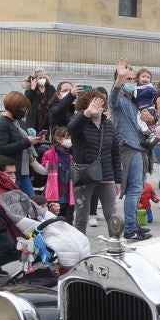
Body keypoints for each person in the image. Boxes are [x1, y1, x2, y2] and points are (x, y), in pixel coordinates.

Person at [68, 89, 122, 234]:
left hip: (106, 174)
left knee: (112, 214)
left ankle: (115, 245)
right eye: (94, 103)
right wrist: (87, 113)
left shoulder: (108, 125)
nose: (98, 107)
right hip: (85, 174)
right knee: (81, 217)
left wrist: (118, 180)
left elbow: (115, 154)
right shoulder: (79, 120)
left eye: (101, 103)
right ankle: (80, 250)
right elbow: (72, 129)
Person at [109, 57, 150, 241]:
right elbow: (113, 98)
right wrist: (119, 79)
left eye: (133, 79)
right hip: (128, 146)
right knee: (134, 189)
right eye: (128, 79)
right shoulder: (118, 100)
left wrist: (150, 119)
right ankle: (130, 228)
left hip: (140, 145)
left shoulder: (135, 101)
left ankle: (134, 226)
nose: (131, 82)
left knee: (139, 187)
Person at [0, 91, 43, 198]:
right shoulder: (0, 124)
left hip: (24, 172)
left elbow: (25, 145)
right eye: (23, 108)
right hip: (10, 172)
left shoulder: (19, 122)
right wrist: (26, 142)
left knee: (32, 203)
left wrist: (36, 142)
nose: (25, 111)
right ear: (15, 107)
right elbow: (1, 148)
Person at [41, 125, 76, 221]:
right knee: (54, 221)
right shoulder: (49, 154)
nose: (69, 140)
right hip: (54, 195)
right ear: (58, 139)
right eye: (66, 137)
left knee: (68, 221)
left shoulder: (72, 154)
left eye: (70, 138)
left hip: (69, 195)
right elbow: (44, 170)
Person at [24, 70, 57, 136]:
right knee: (33, 138)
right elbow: (26, 101)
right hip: (34, 119)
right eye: (40, 78)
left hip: (47, 118)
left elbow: (55, 100)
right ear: (35, 79)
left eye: (44, 77)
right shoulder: (30, 90)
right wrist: (32, 88)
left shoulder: (50, 88)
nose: (42, 79)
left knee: (45, 138)